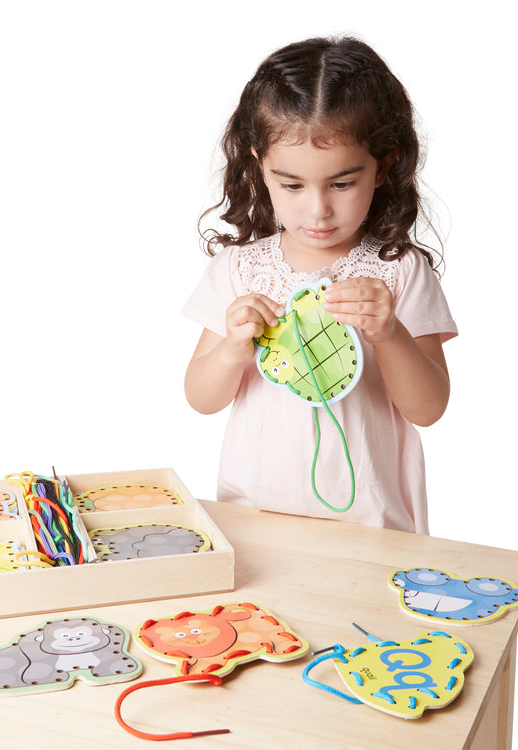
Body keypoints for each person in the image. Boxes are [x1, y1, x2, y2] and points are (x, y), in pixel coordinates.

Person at [182, 37, 457, 533]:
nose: (318, 209)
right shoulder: (239, 270)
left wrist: (390, 333)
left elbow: (429, 408)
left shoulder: (399, 270)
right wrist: (231, 350)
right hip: (253, 517)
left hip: (372, 524)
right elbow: (201, 398)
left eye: (342, 183)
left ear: (384, 165)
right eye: (291, 185)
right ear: (258, 165)